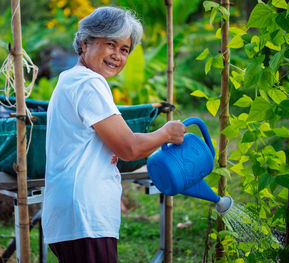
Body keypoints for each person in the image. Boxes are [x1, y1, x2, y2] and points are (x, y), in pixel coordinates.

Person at [42, 6, 186, 263]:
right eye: (110, 44)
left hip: (72, 215)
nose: (117, 56)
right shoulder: (89, 83)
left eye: (124, 49)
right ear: (85, 43)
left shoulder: (71, 79)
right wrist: (165, 133)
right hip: (85, 216)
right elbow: (128, 148)